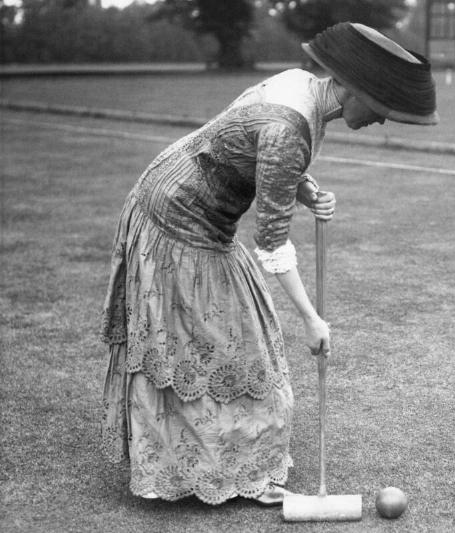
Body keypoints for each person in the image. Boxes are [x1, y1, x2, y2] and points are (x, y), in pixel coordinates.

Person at [99, 22, 437, 506]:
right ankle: (208, 469)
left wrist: (305, 188)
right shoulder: (289, 129)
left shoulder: (302, 86)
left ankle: (230, 464)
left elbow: (251, 149)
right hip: (175, 218)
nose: (381, 121)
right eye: (382, 110)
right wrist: (312, 318)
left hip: (193, 206)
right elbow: (272, 242)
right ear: (354, 90)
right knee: (216, 346)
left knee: (239, 345)